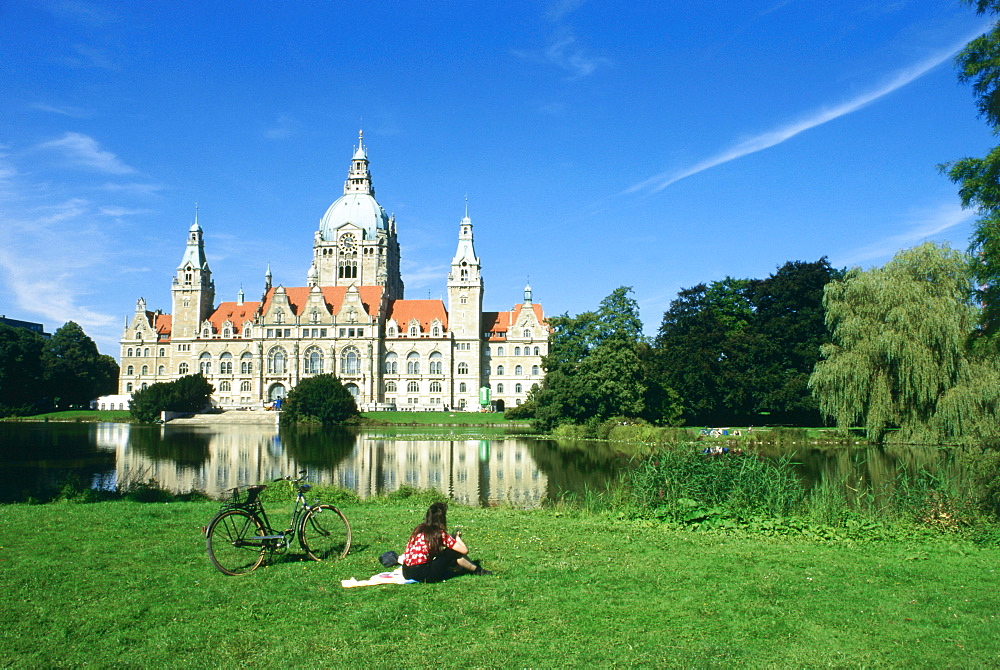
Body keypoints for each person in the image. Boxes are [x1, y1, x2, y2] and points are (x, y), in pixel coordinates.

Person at [401, 502, 492, 582]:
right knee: (453, 552)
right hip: (423, 573)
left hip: (406, 571)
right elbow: (464, 550)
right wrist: (457, 538)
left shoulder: (419, 529)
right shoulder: (439, 533)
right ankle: (477, 570)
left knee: (444, 554)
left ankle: (462, 567)